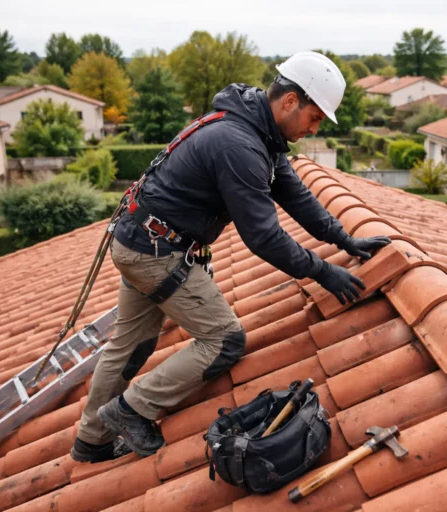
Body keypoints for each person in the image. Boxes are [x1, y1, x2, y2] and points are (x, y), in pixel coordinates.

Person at [70, 51, 391, 462]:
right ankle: (131, 410)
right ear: (291, 101)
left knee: (130, 343)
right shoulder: (238, 144)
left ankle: (90, 441)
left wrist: (344, 239)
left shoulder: (259, 132)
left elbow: (295, 195)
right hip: (155, 252)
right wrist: (323, 272)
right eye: (314, 118)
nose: (313, 129)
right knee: (224, 341)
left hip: (139, 240)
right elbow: (263, 237)